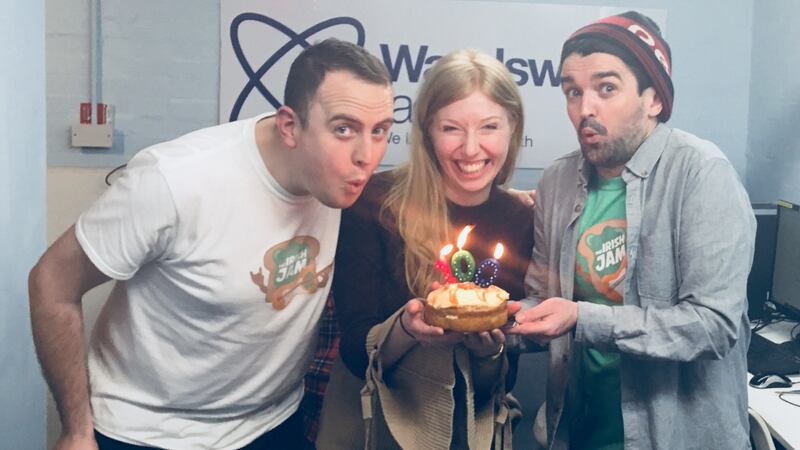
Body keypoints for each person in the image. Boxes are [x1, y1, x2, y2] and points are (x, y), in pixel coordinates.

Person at [28, 38, 394, 450]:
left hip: (273, 422)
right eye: (343, 129)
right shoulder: (173, 181)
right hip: (148, 430)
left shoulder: (345, 185)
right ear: (290, 127)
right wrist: (76, 432)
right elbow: (51, 283)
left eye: (380, 130)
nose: (367, 156)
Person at [507, 11, 756, 450]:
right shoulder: (557, 181)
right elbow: (544, 300)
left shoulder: (702, 175)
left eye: (606, 88)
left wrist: (583, 319)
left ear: (653, 98)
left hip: (676, 438)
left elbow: (712, 326)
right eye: (573, 92)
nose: (585, 109)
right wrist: (499, 323)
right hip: (581, 430)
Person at [316, 49, 534, 450]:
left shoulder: (521, 217)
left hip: (469, 433)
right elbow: (355, 354)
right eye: (451, 128)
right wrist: (406, 330)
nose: (471, 149)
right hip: (376, 431)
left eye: (489, 127)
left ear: (513, 128)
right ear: (427, 131)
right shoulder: (375, 204)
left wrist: (488, 355)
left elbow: (505, 377)